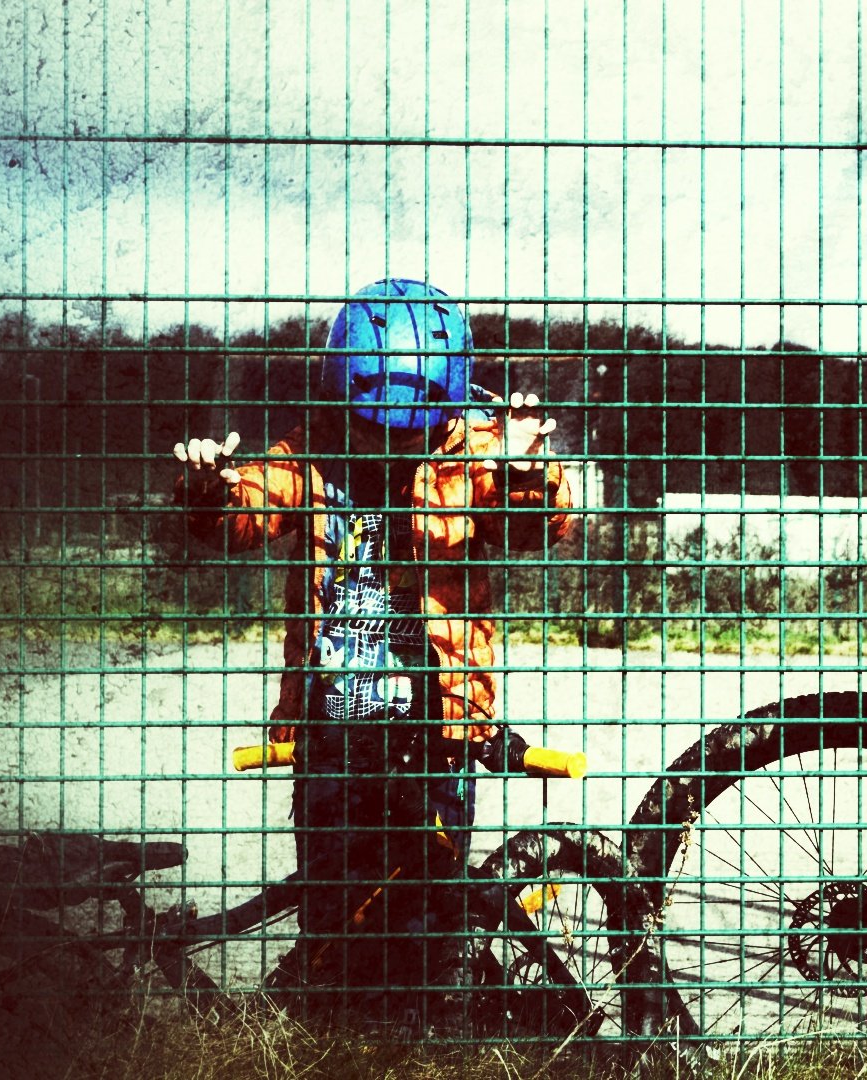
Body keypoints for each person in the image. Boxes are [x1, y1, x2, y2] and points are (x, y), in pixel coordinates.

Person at [172, 278, 574, 1026]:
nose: (388, 444)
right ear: (342, 396)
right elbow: (246, 510)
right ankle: (334, 1040)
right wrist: (209, 492)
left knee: (425, 921)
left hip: (440, 733)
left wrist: (524, 470)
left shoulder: (479, 454)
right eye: (371, 425)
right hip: (332, 734)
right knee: (331, 915)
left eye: (408, 430)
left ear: (445, 406)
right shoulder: (312, 451)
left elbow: (539, 524)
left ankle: (424, 1037)